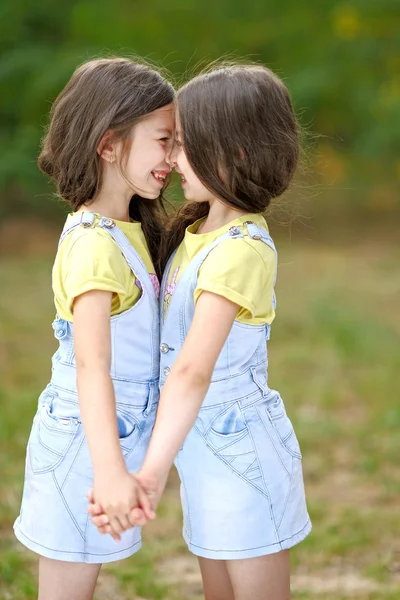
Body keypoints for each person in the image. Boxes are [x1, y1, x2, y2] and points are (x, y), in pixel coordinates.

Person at [92, 64, 311, 600]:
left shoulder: (241, 249)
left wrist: (149, 473)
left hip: (242, 451)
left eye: (184, 145)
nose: (170, 159)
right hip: (202, 451)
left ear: (233, 151)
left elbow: (192, 369)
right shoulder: (193, 234)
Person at [14, 56, 175, 600]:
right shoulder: (93, 244)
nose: (173, 159)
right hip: (85, 446)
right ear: (109, 144)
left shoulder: (125, 229)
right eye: (163, 140)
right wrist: (108, 473)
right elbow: (92, 367)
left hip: (107, 440)